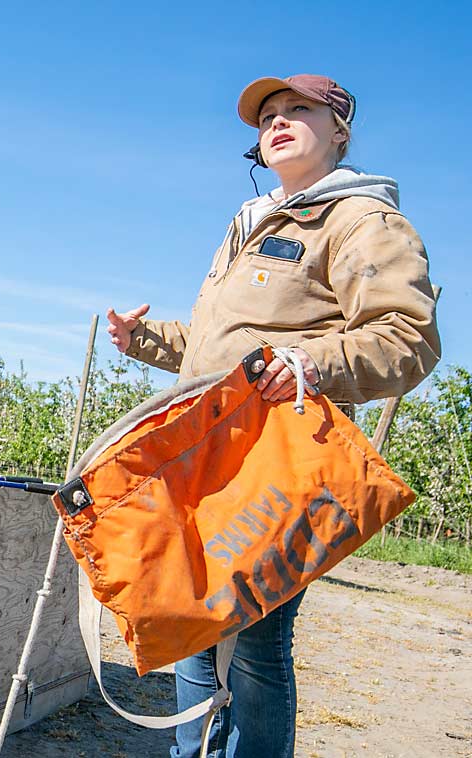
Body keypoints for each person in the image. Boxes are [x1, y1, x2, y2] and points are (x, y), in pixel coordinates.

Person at [106, 75, 440, 757]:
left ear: (340, 129)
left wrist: (314, 363)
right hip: (210, 456)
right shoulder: (252, 223)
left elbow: (408, 336)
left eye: (299, 110)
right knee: (191, 623)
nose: (278, 122)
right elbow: (219, 344)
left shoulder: (359, 220)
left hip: (279, 461)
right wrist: (141, 340)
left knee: (256, 641)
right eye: (268, 117)